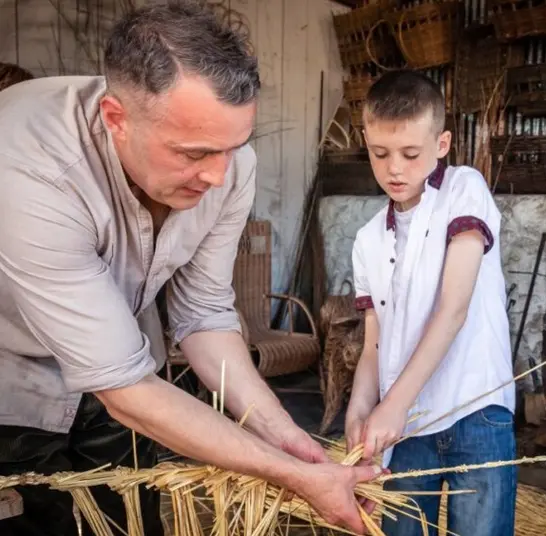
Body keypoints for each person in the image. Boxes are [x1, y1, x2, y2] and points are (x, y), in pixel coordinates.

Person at [0, 3, 378, 535]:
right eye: (195, 153)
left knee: (132, 517)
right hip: (14, 383)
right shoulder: (29, 166)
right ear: (116, 120)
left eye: (234, 147)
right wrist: (290, 476)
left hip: (129, 376)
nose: (219, 177)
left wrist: (283, 434)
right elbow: (123, 386)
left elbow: (202, 313)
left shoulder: (227, 164)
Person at [345, 69, 517, 536]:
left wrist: (391, 406)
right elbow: (372, 348)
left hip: (475, 411)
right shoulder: (366, 240)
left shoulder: (464, 189)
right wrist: (360, 411)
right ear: (366, 142)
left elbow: (453, 310)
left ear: (441, 144)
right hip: (408, 429)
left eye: (410, 153)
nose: (394, 168)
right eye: (380, 154)